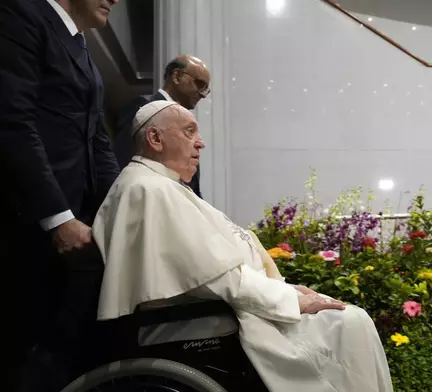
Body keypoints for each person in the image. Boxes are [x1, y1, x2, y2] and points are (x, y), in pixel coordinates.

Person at [93, 101, 394, 392]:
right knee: (348, 324)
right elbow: (216, 278)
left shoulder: (160, 184)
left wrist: (286, 290)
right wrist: (290, 300)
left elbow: (214, 268)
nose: (200, 143)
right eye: (188, 131)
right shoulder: (148, 189)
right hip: (202, 321)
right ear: (155, 138)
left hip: (217, 310)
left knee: (348, 321)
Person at [0, 0, 121, 390]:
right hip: (27, 224)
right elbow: (13, 124)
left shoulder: (81, 45)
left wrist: (128, 207)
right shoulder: (21, 15)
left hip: (74, 222)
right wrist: (58, 217)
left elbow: (98, 142)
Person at [113, 54, 211, 197]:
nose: (203, 94)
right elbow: (123, 161)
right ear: (177, 76)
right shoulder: (143, 109)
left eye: (206, 89)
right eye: (200, 84)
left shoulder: (187, 118)